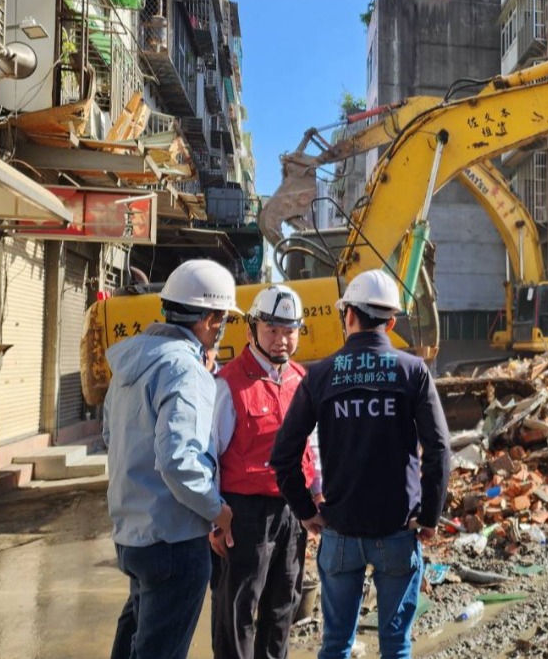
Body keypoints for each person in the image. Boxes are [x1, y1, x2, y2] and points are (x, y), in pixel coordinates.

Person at [270, 269, 451, 659]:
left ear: (348, 315)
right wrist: (431, 516)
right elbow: (438, 450)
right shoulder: (413, 371)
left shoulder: (319, 374)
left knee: (335, 645)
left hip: (339, 532)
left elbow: (283, 454)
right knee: (396, 645)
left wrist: (305, 510)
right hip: (397, 531)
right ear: (391, 322)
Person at [104, 259, 239, 659]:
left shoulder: (134, 359)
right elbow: (180, 460)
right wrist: (217, 510)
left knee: (135, 641)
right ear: (211, 320)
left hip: (133, 534)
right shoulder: (185, 368)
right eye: (222, 319)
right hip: (174, 540)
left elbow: (110, 435)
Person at [210, 285, 319, 659]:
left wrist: (315, 496)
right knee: (236, 609)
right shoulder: (229, 383)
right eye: (272, 330)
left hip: (291, 511)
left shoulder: (301, 380)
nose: (281, 340)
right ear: (252, 329)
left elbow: (312, 447)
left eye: (289, 331)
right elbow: (208, 455)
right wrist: (214, 517)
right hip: (244, 514)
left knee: (282, 606)